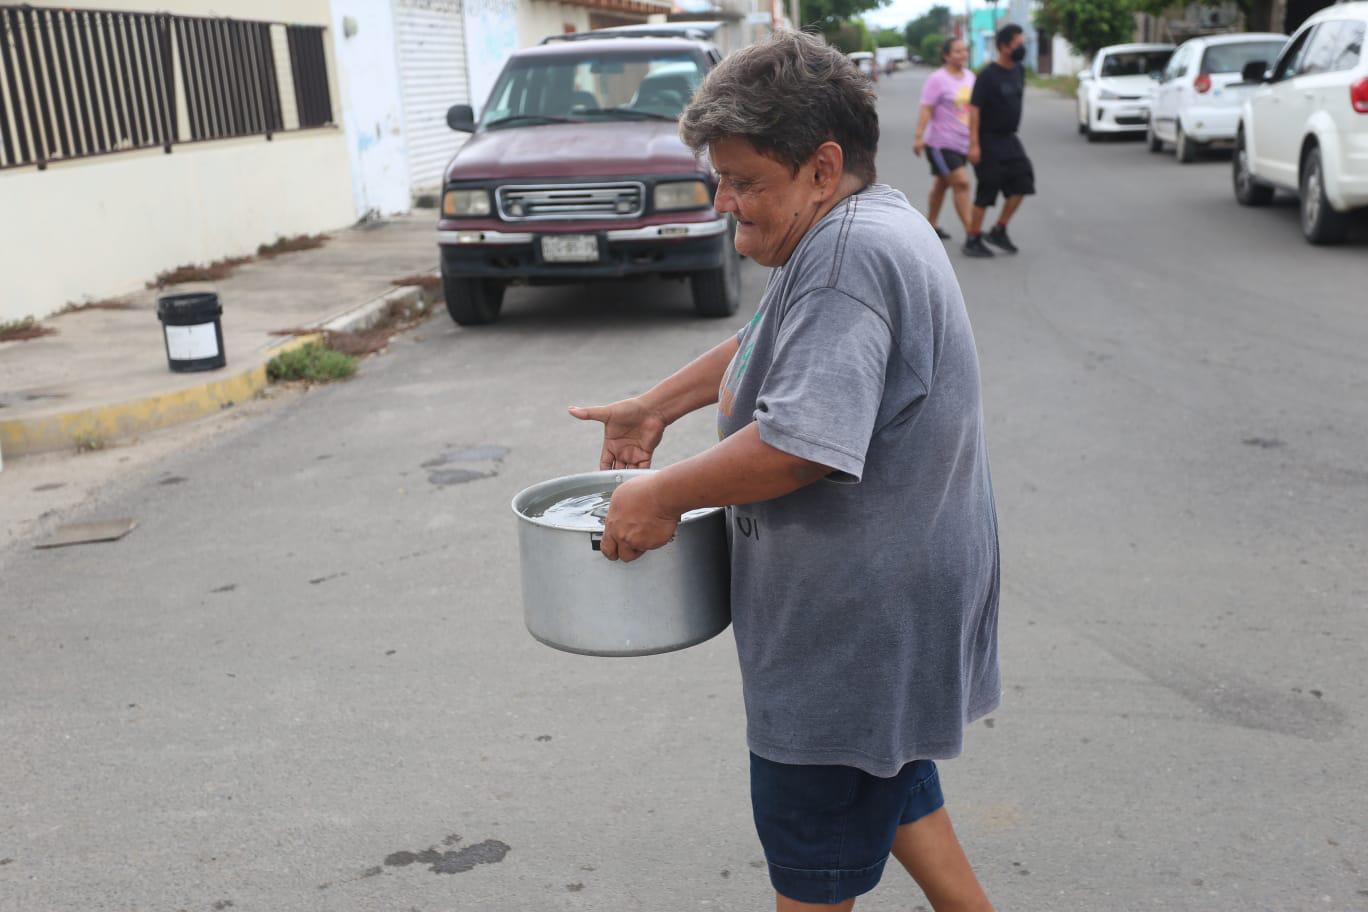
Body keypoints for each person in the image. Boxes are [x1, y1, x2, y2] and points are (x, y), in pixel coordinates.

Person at [568, 30, 1001, 912]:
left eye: (747, 181)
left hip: (852, 635)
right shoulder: (863, 222)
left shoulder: (846, 255)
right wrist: (657, 406)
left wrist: (658, 493)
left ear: (821, 165)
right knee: (889, 790)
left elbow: (801, 443)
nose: (727, 203)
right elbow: (772, 337)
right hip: (888, 618)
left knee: (814, 868)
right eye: (720, 179)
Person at [965, 23, 1035, 258]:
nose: (1022, 48)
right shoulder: (987, 75)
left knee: (1024, 181)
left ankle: (999, 229)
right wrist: (974, 144)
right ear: (1005, 46)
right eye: (1018, 44)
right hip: (988, 139)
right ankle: (973, 237)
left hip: (1010, 139)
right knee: (988, 188)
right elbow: (974, 110)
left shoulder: (1019, 70)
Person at [914, 37, 975, 241]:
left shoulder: (970, 77)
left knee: (942, 184)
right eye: (957, 51)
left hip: (962, 143)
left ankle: (931, 224)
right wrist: (919, 136)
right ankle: (971, 232)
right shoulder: (937, 79)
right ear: (946, 55)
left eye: (964, 50)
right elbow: (926, 108)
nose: (962, 54)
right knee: (961, 183)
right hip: (941, 144)